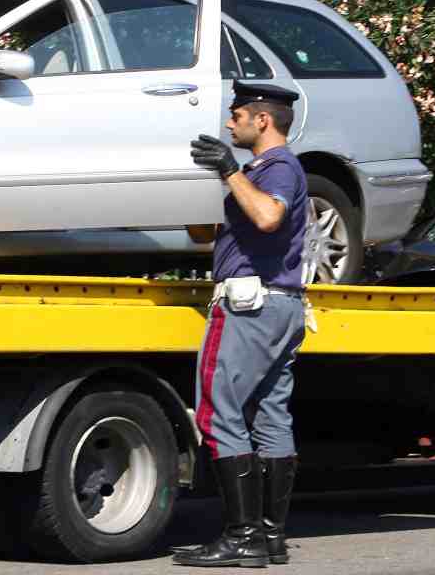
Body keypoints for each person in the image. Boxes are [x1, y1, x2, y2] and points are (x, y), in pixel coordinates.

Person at [174, 80, 308, 568]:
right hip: (280, 304)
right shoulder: (268, 170)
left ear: (262, 120)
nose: (230, 123)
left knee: (218, 413)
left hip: (250, 306)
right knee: (271, 418)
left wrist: (230, 172)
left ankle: (242, 537)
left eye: (236, 115)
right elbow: (253, 226)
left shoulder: (278, 168)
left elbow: (269, 217)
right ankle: (269, 538)